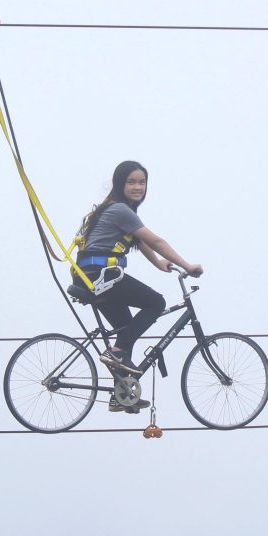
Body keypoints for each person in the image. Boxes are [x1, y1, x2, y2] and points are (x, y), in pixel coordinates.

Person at [74, 161, 203, 408]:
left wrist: (158, 264)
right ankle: (117, 352)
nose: (137, 187)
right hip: (100, 275)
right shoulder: (120, 210)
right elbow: (155, 240)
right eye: (131, 182)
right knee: (156, 303)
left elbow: (140, 242)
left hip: (90, 276)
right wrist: (187, 266)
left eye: (141, 182)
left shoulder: (116, 211)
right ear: (120, 184)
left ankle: (121, 396)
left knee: (126, 332)